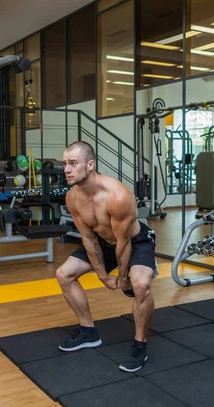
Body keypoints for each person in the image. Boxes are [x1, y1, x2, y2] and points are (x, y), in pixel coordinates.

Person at [55, 141, 158, 373]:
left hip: (135, 241)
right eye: (65, 164)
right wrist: (102, 276)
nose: (67, 169)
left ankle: (139, 346)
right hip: (103, 241)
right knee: (64, 274)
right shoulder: (73, 198)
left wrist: (122, 279)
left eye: (73, 163)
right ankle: (88, 331)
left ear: (90, 165)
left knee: (140, 285)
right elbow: (89, 239)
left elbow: (124, 243)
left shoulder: (118, 196)